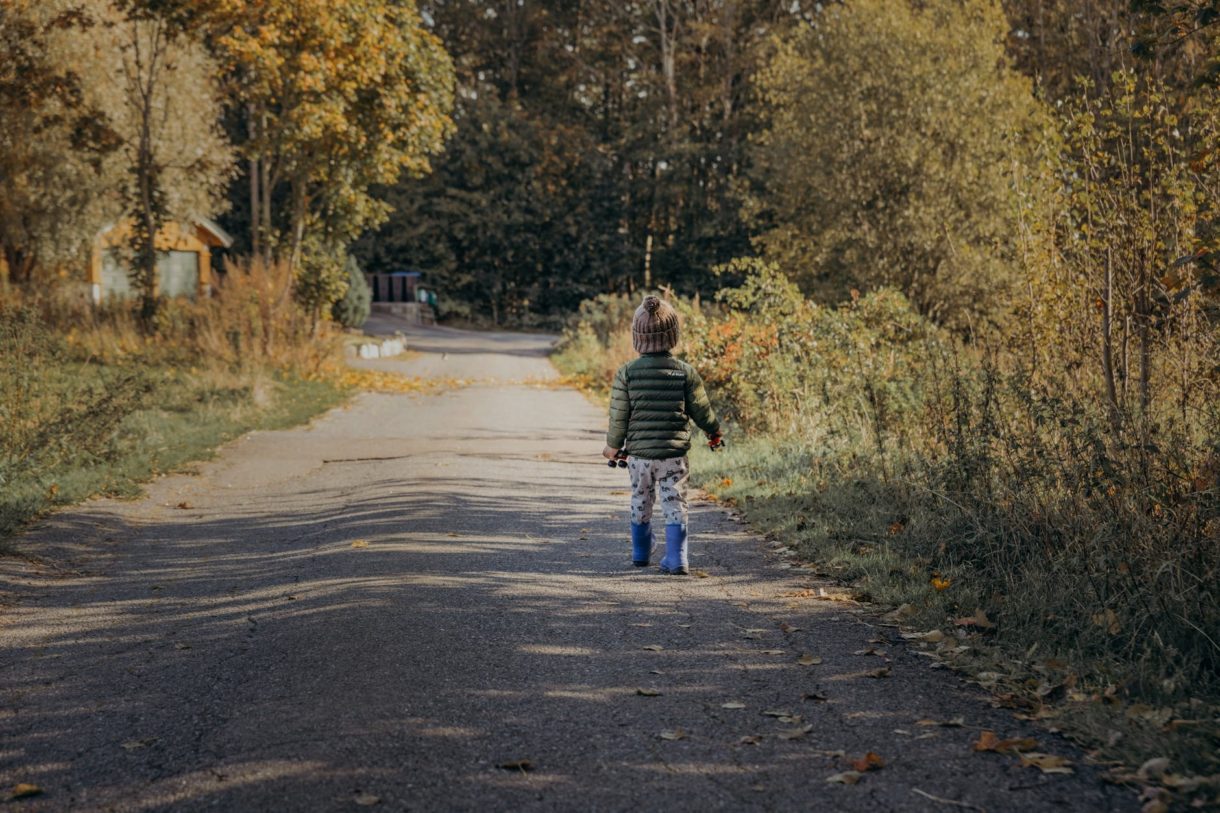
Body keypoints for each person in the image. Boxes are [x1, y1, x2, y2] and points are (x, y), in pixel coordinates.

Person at [603, 295, 723, 575]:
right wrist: (714, 432)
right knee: (674, 502)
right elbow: (702, 411)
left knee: (640, 500)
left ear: (637, 336)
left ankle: (640, 552)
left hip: (640, 457)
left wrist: (612, 447)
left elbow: (619, 416)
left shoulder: (626, 373)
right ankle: (677, 557)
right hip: (673, 456)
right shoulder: (685, 373)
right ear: (673, 335)